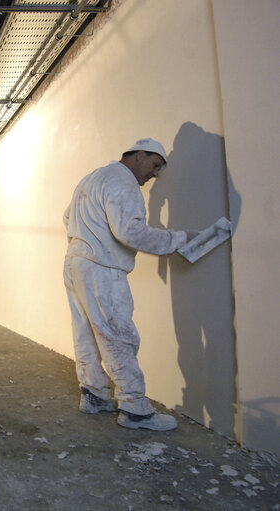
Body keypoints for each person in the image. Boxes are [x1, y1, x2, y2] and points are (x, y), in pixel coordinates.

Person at [62, 138, 198, 431]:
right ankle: (135, 408)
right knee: (118, 336)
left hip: (76, 261)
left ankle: (94, 395)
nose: (155, 174)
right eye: (154, 165)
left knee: (86, 333)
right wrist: (179, 238)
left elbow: (67, 216)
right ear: (138, 156)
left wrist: (90, 236)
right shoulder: (124, 184)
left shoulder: (94, 177)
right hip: (102, 267)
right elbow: (130, 232)